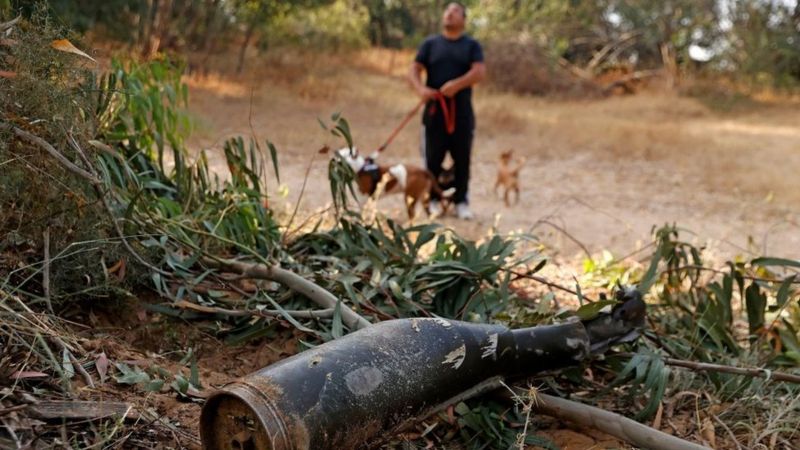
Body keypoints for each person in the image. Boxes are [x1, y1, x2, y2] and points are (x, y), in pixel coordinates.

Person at [408, 2, 486, 220]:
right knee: (432, 159)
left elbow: (479, 72)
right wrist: (420, 89)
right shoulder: (430, 44)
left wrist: (457, 85)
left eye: (455, 12)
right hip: (434, 113)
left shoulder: (471, 45)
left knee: (462, 159)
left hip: (461, 113)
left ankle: (461, 201)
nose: (449, 14)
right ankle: (432, 199)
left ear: (463, 19)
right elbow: (414, 69)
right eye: (447, 11)